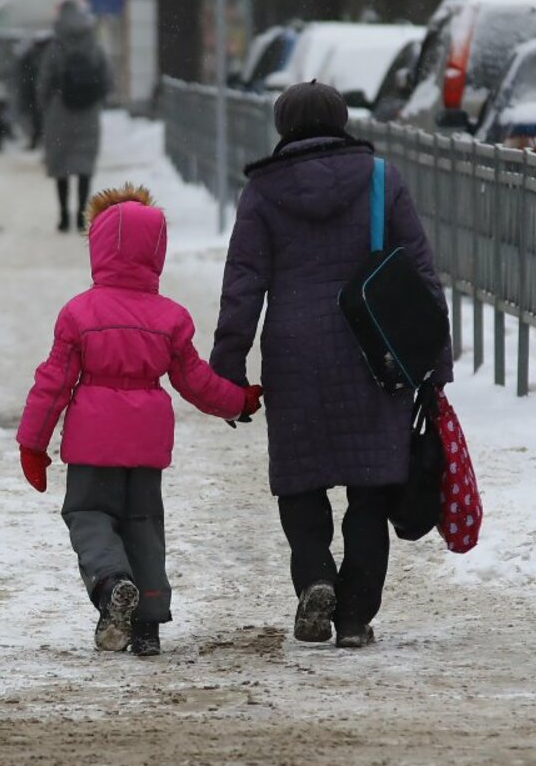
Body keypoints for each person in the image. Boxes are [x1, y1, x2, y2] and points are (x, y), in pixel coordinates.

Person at [209, 80, 453, 649]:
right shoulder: (379, 180)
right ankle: (354, 615)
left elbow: (243, 284)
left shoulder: (263, 192)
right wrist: (434, 362)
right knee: (370, 488)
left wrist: (227, 368)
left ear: (282, 128)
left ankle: (315, 576)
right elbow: (419, 272)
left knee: (301, 480)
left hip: (295, 354)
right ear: (344, 120)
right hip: (373, 350)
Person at [16, 185, 262, 657]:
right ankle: (147, 623)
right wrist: (238, 402)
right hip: (147, 443)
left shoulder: (79, 314)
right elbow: (196, 383)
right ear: (157, 252)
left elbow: (53, 384)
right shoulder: (170, 318)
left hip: (94, 442)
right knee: (144, 524)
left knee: (88, 515)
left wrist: (33, 443)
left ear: (99, 246)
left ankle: (112, 585)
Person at [37, 0, 111, 233]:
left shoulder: (55, 47)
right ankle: (81, 215)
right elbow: (107, 79)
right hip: (88, 112)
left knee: (62, 165)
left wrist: (45, 106)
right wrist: (98, 98)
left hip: (60, 112)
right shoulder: (94, 46)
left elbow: (44, 81)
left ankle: (63, 216)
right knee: (84, 165)